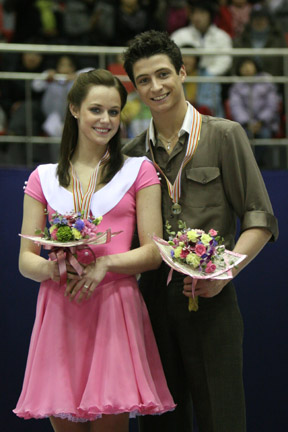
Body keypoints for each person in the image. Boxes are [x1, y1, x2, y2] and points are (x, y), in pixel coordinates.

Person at [122, 30, 279, 432]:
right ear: (135, 88)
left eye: (163, 74)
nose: (155, 87)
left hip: (213, 297)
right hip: (153, 299)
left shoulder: (225, 135)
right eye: (143, 80)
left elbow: (259, 217)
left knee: (221, 419)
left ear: (182, 72)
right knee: (161, 423)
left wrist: (225, 272)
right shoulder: (130, 155)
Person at [13, 69, 176, 431]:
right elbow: (26, 260)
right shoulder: (43, 177)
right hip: (60, 310)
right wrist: (58, 270)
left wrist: (106, 265)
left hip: (114, 306)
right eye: (96, 110)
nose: (106, 120)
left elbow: (154, 252)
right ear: (73, 109)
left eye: (114, 112)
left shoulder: (138, 171)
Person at [170, 1, 233, 76]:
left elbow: (224, 61)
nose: (197, 17)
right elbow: (172, 60)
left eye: (202, 13)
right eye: (194, 13)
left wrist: (207, 74)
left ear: (210, 15)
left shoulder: (222, 37)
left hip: (213, 80)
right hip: (184, 79)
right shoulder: (178, 35)